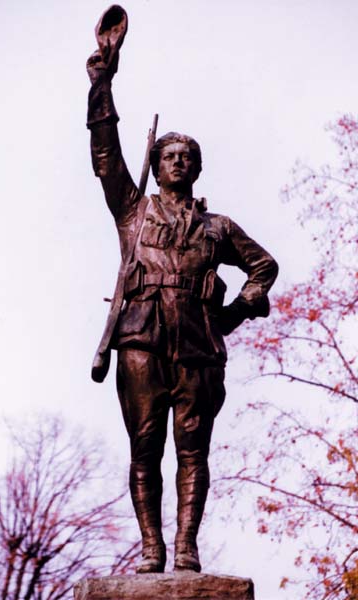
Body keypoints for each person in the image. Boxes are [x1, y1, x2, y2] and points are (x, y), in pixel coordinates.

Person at [86, 5, 278, 575]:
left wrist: (238, 312)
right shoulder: (132, 211)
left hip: (198, 344)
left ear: (196, 168)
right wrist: (102, 81)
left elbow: (263, 266)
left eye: (186, 157)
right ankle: (151, 548)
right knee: (145, 449)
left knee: (193, 450)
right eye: (168, 155)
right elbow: (102, 156)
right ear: (156, 162)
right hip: (141, 340)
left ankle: (187, 546)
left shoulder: (217, 228)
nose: (178, 161)